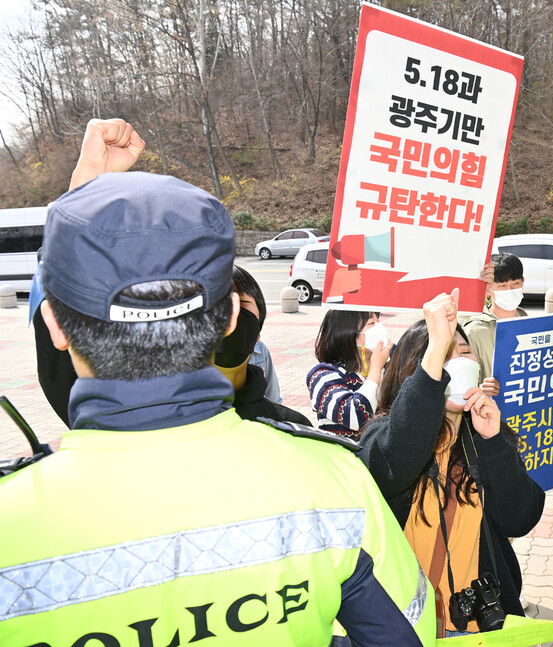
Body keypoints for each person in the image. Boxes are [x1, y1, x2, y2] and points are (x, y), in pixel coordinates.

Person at [0, 119, 435, 645]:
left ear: (52, 325)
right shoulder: (333, 485)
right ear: (231, 316)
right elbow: (409, 633)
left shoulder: (13, 521)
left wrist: (82, 198)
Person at [357, 289, 545, 636]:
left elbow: (521, 517)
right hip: (405, 624)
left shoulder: (486, 437)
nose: (458, 363)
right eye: (444, 356)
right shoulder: (383, 434)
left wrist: (493, 442)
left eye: (464, 353)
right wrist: (434, 353)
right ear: (418, 373)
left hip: (479, 625)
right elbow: (394, 461)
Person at [215, 265, 311, 426]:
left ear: (258, 330)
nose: (233, 312)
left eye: (243, 302)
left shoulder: (287, 424)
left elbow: (273, 399)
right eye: (220, 303)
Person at [306, 310, 390, 439]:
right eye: (371, 323)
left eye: (378, 321)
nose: (379, 328)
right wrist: (376, 369)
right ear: (348, 333)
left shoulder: (389, 366)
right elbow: (356, 416)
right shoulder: (322, 375)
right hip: (342, 457)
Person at [460, 252, 527, 382]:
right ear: (489, 289)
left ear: (523, 282)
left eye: (515, 284)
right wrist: (483, 390)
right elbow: (465, 382)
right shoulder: (475, 331)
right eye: (502, 286)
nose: (510, 290)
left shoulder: (528, 321)